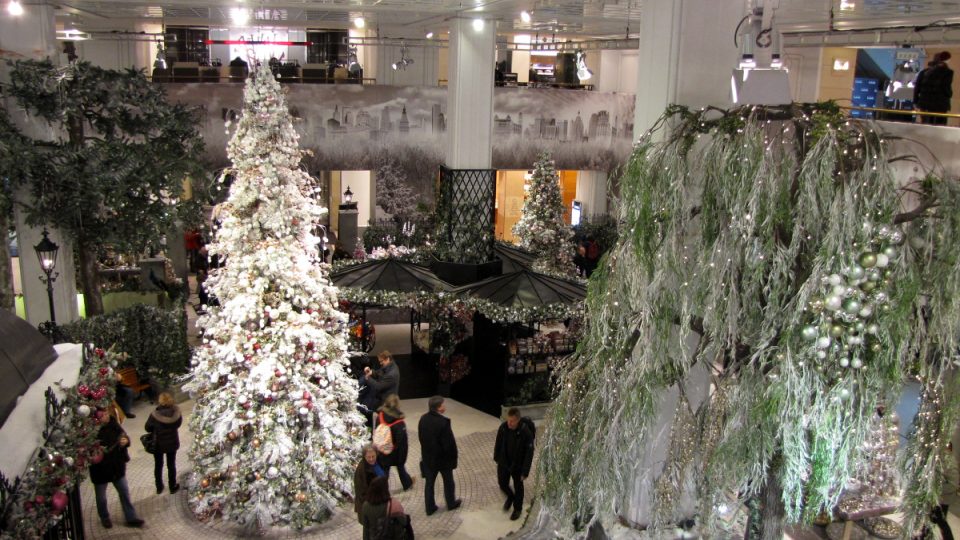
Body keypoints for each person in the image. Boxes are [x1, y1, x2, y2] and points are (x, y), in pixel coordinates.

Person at [90, 408, 144, 529]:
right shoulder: (92, 431)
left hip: (116, 466)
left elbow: (123, 436)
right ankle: (104, 517)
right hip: (100, 470)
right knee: (101, 497)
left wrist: (126, 441)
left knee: (124, 492)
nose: (106, 416)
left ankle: (131, 517)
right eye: (103, 414)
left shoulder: (114, 424)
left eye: (106, 413)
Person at [418, 396, 461, 515]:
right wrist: (453, 458)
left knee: (429, 484)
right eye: (443, 405)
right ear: (438, 408)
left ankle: (430, 508)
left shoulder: (423, 419)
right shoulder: (443, 423)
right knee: (448, 482)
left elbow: (421, 438)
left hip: (428, 459)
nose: (445, 406)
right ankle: (451, 503)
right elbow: (449, 444)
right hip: (443, 460)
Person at [494, 407, 535, 520]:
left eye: (512, 421)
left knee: (518, 487)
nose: (509, 423)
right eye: (508, 420)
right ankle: (510, 497)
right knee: (502, 483)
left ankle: (518, 509)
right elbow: (498, 443)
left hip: (518, 465)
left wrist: (525, 471)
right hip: (504, 462)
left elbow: (529, 453)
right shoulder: (503, 428)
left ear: (518, 420)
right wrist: (497, 457)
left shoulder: (525, 432)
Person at [145, 392, 182, 495]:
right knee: (171, 465)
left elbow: (147, 427)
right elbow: (178, 424)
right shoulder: (176, 412)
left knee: (158, 465)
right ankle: (172, 486)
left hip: (158, 444)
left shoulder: (155, 414)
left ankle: (159, 487)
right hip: (172, 442)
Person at [376, 394, 415, 491]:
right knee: (401, 467)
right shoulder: (399, 423)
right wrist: (403, 456)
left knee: (385, 470)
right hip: (395, 451)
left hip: (383, 449)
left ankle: (382, 489)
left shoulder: (380, 416)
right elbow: (402, 442)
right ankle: (407, 484)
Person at [914, 51, 954, 126]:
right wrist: (949, 94)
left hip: (924, 103)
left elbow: (917, 88)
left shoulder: (924, 72)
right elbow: (946, 87)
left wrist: (916, 101)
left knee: (926, 124)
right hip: (940, 104)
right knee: (939, 125)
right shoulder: (948, 72)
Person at [354, 444, 386, 523]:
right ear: (364, 457)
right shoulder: (362, 470)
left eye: (373, 456)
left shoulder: (379, 462)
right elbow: (361, 492)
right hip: (370, 505)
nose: (371, 459)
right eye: (368, 457)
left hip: (381, 500)